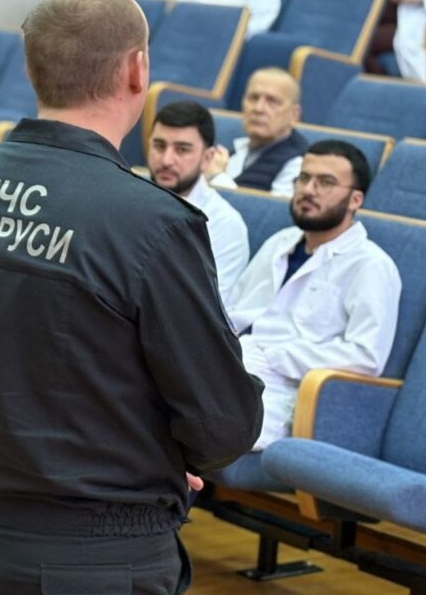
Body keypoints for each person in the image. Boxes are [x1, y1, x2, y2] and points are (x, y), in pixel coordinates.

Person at [0, 0, 263, 595]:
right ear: (136, 70)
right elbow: (222, 424)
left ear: (31, 66)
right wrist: (153, 452)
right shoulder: (150, 223)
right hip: (95, 564)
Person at [227, 140, 401, 451]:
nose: (309, 190)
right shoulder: (279, 242)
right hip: (230, 364)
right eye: (304, 178)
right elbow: (234, 311)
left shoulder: (371, 265)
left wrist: (275, 355)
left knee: (190, 426)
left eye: (325, 182)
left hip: (286, 391)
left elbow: (366, 357)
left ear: (355, 199)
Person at [148, 101, 249, 299]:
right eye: (159, 146)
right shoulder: (127, 198)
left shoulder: (224, 225)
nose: (166, 160)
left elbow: (207, 307)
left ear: (207, 158)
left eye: (182, 150)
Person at [208, 67, 306, 196]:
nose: (258, 108)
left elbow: (263, 208)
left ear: (294, 115)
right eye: (253, 98)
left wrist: (216, 177)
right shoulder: (235, 150)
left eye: (272, 101)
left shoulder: (299, 163)